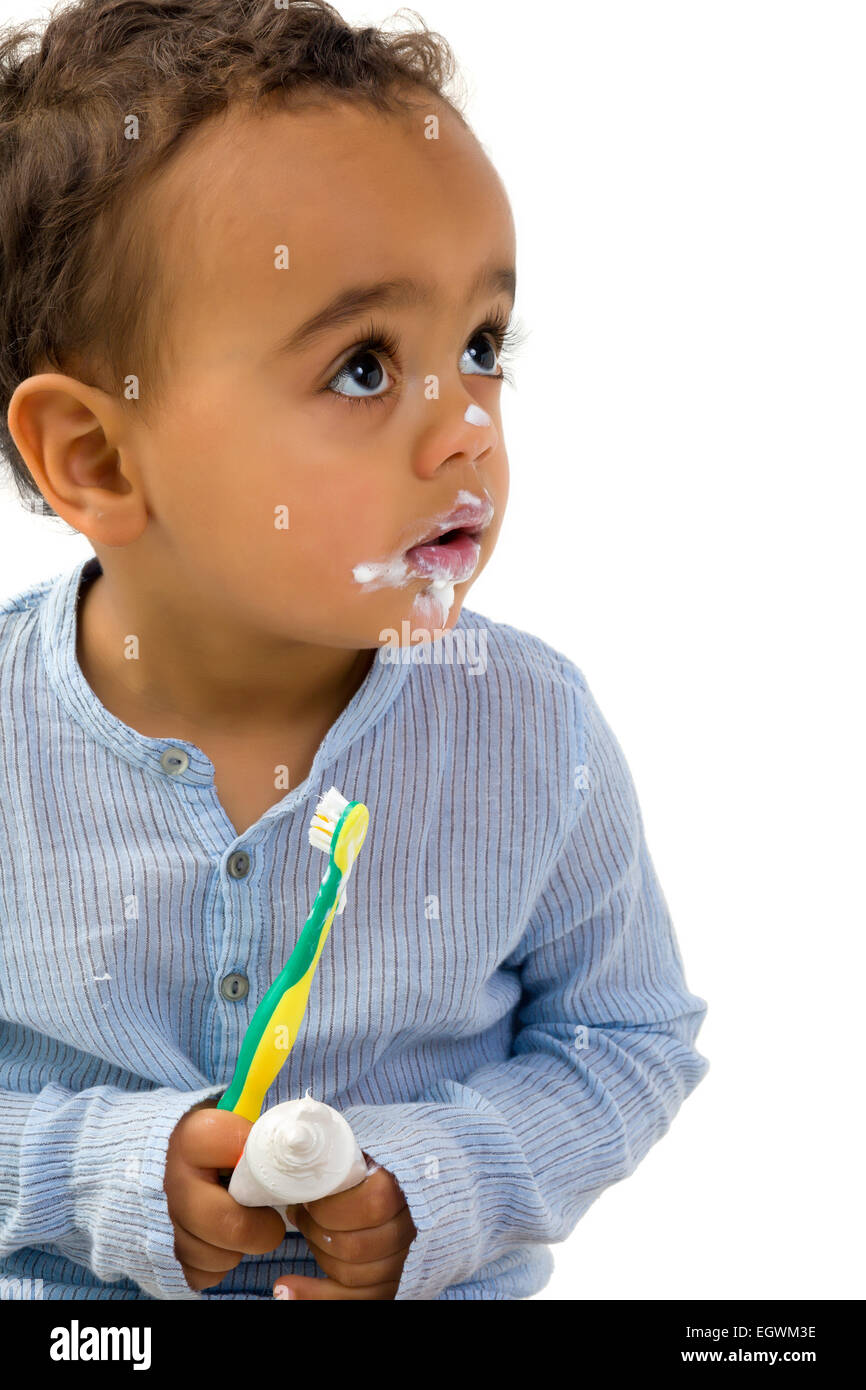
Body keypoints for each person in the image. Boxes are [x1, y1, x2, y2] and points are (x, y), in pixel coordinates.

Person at [0, 0, 709, 1301]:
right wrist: (99, 1165)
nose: (467, 434)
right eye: (365, 367)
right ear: (99, 456)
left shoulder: (530, 732)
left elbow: (628, 1038)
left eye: (481, 346)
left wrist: (431, 1181)